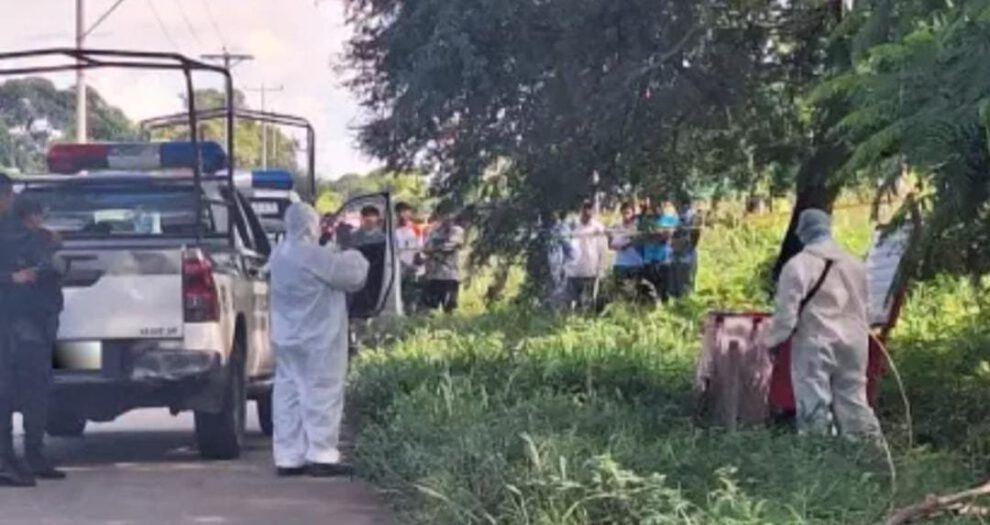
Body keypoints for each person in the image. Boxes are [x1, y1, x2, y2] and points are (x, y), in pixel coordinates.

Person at [762, 209, 884, 441]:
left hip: (815, 341)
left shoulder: (797, 266)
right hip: (855, 342)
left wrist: (772, 341)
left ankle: (818, 451)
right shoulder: (855, 264)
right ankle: (866, 447)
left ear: (801, 231)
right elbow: (866, 306)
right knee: (854, 399)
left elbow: (786, 315)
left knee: (813, 401)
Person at [268, 202, 370, 477]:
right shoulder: (313, 255)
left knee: (288, 396)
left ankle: (288, 457)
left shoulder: (279, 254)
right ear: (310, 224)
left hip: (286, 338)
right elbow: (352, 276)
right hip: (318, 339)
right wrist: (351, 249)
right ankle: (322, 455)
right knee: (322, 393)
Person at [6, 197, 65, 481]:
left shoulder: (38, 239)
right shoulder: (25, 241)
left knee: (28, 393)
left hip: (31, 324)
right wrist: (13, 278)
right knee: (29, 393)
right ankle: (22, 458)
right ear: (32, 215)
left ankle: (24, 457)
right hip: (23, 326)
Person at [0, 174, 43, 487]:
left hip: (11, 322)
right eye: (7, 195)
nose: (10, 200)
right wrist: (11, 278)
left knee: (8, 391)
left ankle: (10, 458)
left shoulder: (11, 229)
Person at [566, 202, 608, 310]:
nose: (587, 212)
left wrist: (601, 270)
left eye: (589, 209)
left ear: (592, 211)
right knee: (573, 302)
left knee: (587, 302)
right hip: (574, 271)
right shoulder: (573, 227)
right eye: (584, 209)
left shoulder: (598, 228)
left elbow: (603, 250)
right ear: (581, 211)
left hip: (590, 270)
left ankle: (586, 317)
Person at [422, 210, 465, 313]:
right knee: (430, 308)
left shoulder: (456, 230)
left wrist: (433, 250)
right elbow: (425, 247)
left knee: (449, 308)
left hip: (449, 275)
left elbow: (450, 246)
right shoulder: (433, 232)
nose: (448, 217)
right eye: (444, 215)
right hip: (433, 275)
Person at [639, 199, 679, 303]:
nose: (656, 207)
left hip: (663, 259)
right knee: (649, 290)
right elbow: (642, 236)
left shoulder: (670, 219)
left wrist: (658, 234)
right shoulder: (645, 220)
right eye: (653, 204)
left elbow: (668, 235)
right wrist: (657, 234)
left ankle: (663, 308)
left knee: (664, 290)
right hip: (648, 259)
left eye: (659, 204)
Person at [609, 202, 646, 301]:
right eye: (624, 213)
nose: (626, 215)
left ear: (633, 213)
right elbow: (612, 245)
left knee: (636, 294)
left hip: (635, 264)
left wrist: (629, 242)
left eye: (628, 213)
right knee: (620, 295)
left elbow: (640, 241)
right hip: (620, 264)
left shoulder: (637, 227)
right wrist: (624, 244)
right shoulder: (617, 227)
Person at [394, 202, 424, 314]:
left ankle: (410, 313)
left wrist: (416, 263)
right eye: (400, 212)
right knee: (398, 291)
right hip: (397, 265)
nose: (403, 214)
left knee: (411, 292)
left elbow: (420, 247)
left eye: (406, 211)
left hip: (411, 265)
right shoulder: (393, 229)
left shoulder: (415, 229)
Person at [669, 199, 699, 299]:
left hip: (686, 255)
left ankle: (686, 304)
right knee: (676, 285)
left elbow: (694, 236)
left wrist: (682, 242)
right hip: (676, 255)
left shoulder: (692, 215)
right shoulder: (676, 216)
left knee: (686, 286)